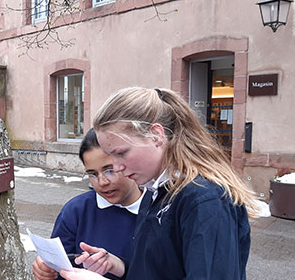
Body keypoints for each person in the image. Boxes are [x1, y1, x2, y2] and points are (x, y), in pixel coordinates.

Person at [60, 87, 256, 280]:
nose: (117, 167)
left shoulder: (206, 201)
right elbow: (158, 270)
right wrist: (118, 265)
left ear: (156, 135)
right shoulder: (157, 191)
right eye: (111, 156)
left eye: (121, 153)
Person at [32, 129, 147, 280]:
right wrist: (46, 271)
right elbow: (58, 268)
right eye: (92, 174)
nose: (102, 182)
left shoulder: (162, 210)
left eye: (109, 170)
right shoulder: (75, 211)